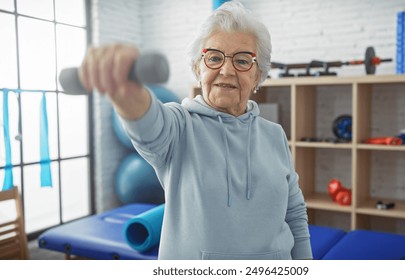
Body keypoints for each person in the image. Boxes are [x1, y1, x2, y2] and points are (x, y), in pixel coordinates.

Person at [79, 0, 312, 260]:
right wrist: (126, 92)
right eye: (214, 57)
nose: (226, 70)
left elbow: (294, 213)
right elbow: (148, 127)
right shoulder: (179, 127)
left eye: (243, 60)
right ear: (197, 68)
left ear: (258, 75)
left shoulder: (274, 134)